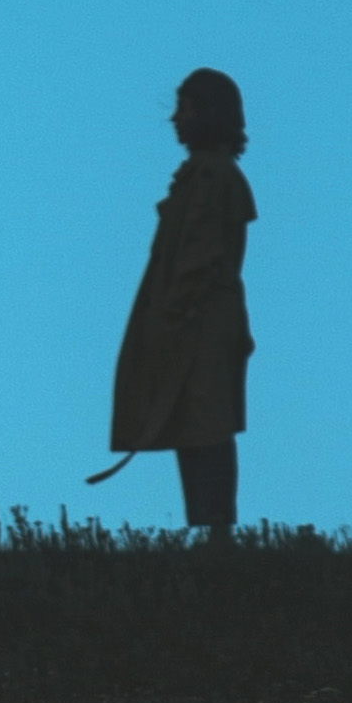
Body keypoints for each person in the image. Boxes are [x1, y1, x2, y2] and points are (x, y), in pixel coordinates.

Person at [108, 68, 256, 531]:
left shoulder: (212, 176)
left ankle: (216, 531)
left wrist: (173, 316)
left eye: (184, 108)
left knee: (205, 426)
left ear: (208, 114)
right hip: (195, 319)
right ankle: (209, 529)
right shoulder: (203, 175)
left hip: (200, 322)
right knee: (192, 425)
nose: (175, 119)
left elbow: (200, 256)